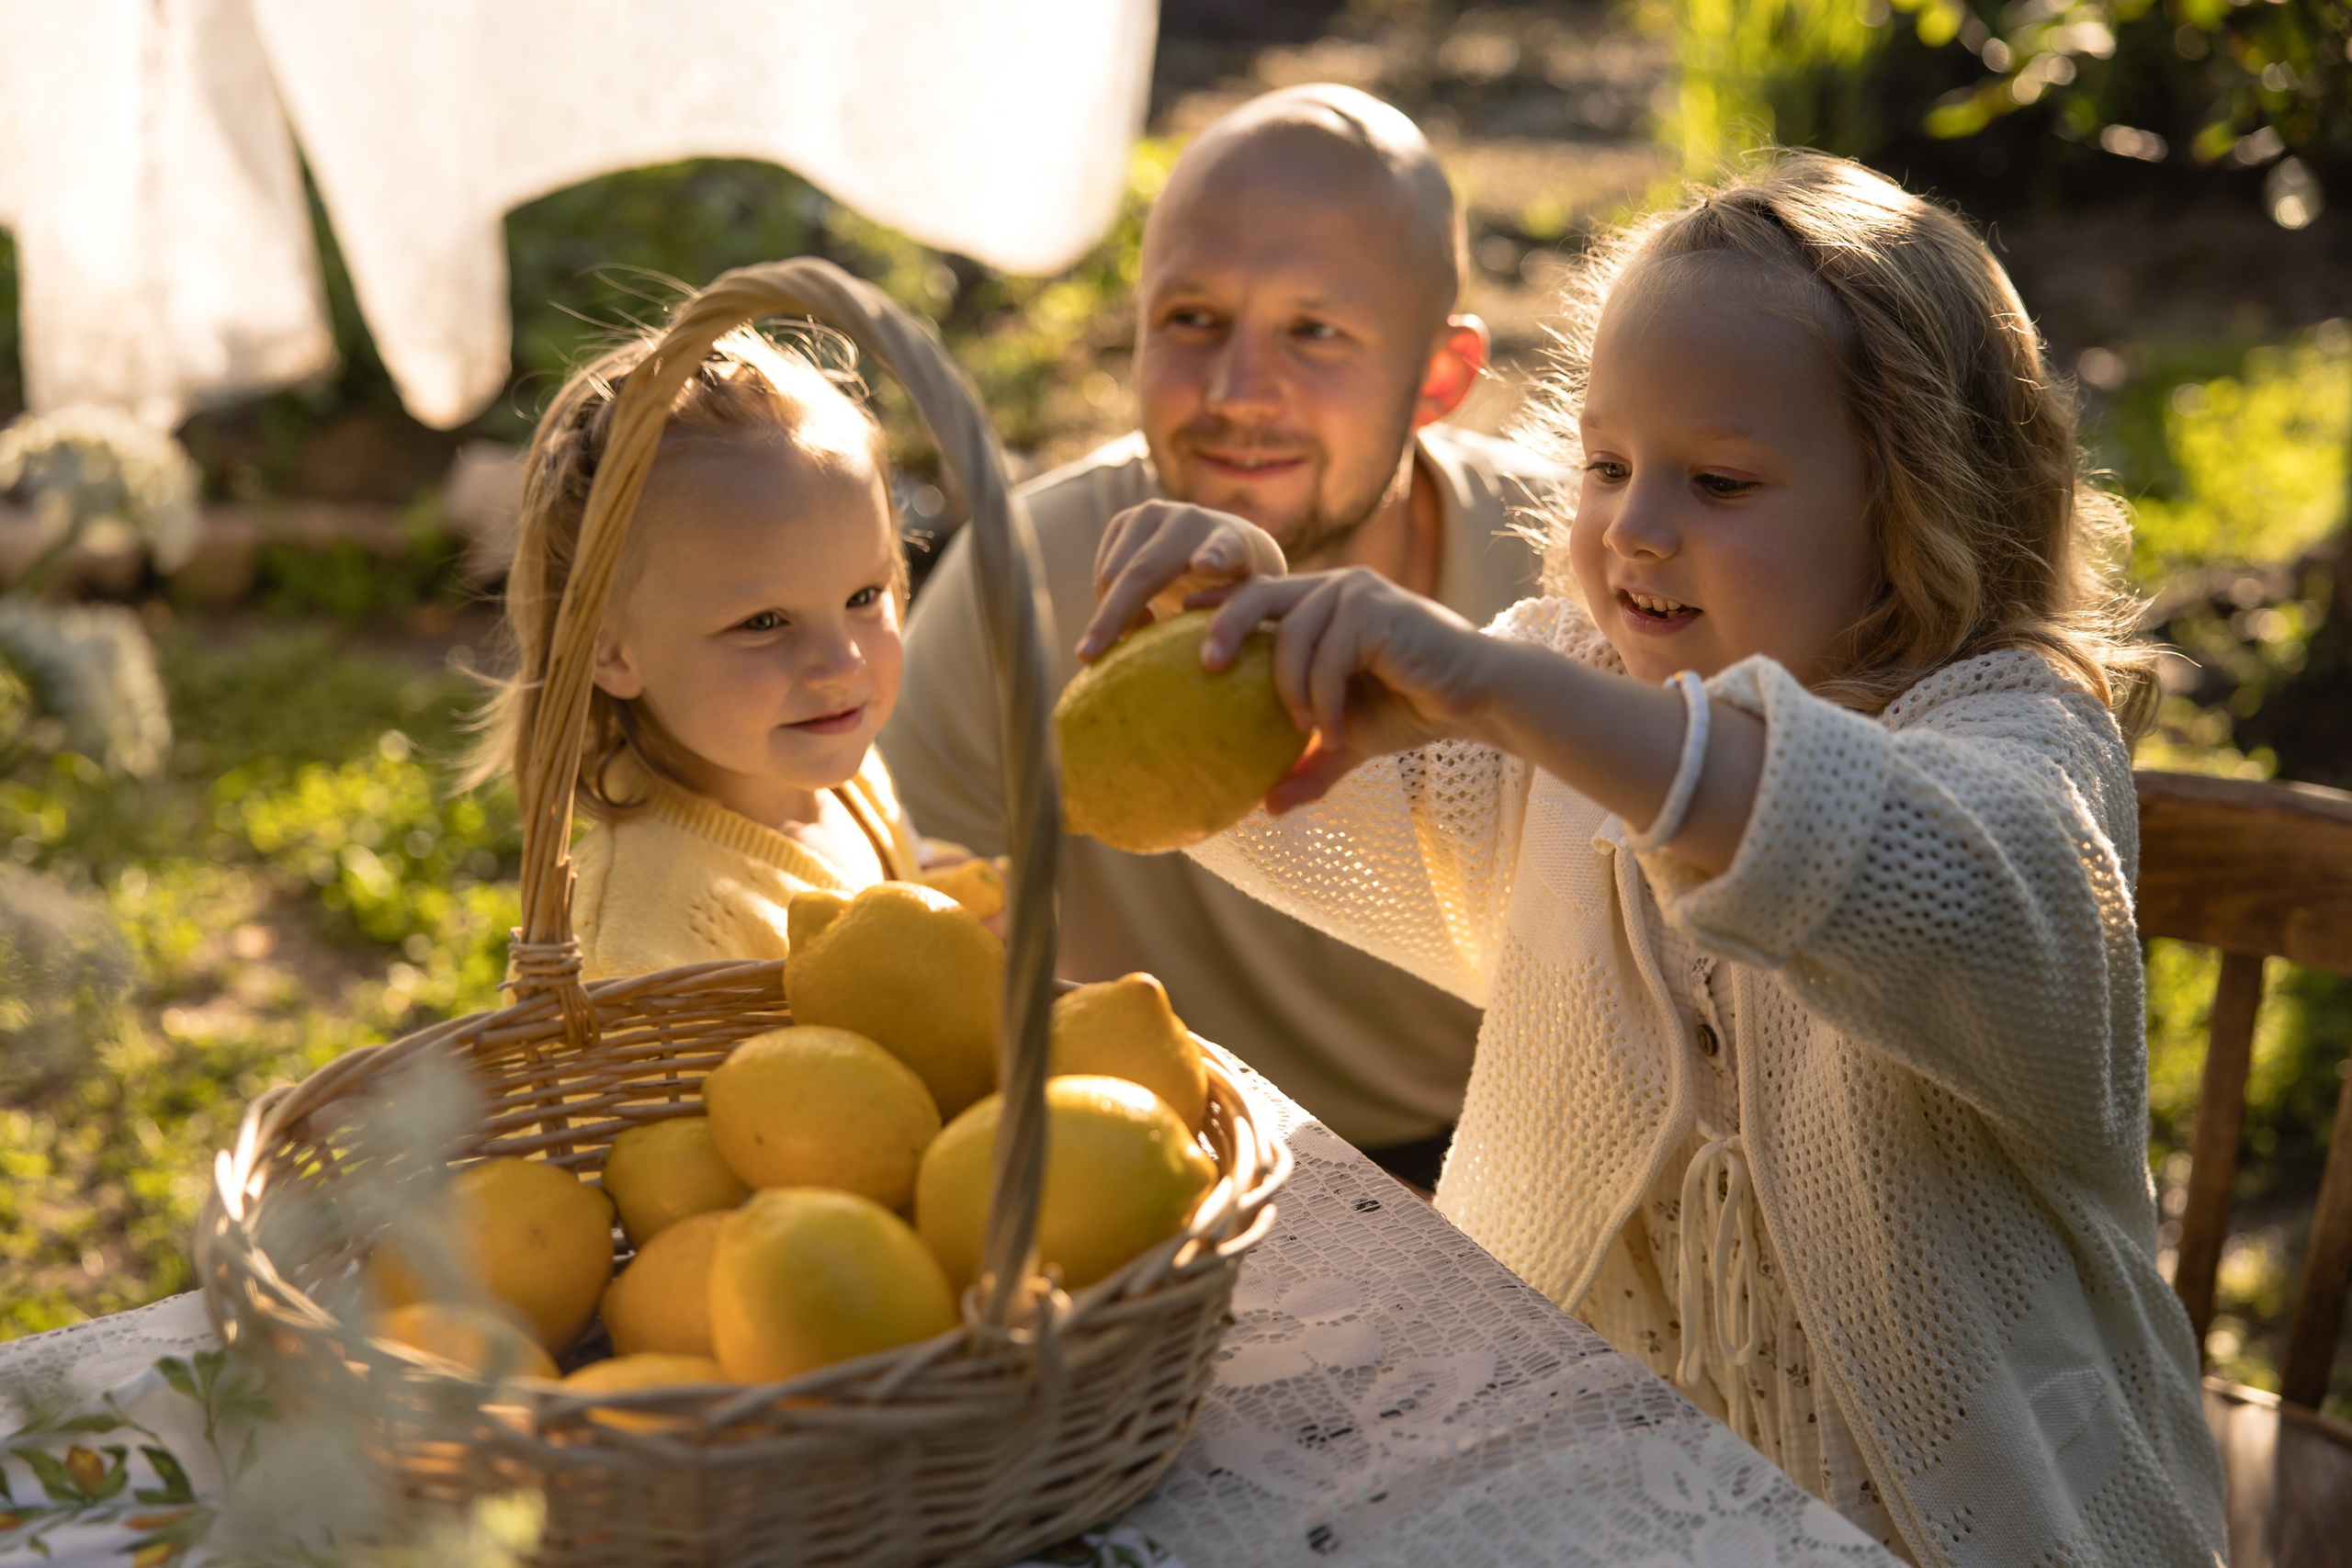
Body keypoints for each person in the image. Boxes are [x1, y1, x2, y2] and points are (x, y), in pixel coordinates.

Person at [1076, 152, 2225, 1565]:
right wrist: (1234, 649)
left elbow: (1893, 870)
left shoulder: (2018, 744)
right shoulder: (1573, 694)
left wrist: (1498, 690)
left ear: (1914, 504)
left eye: (1720, 480)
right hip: (1586, 1499)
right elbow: (1278, 801)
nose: (1632, 526)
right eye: (1608, 464)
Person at [881, 85, 1553, 1184]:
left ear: (1440, 377)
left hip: (1505, 1165)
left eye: (1314, 331)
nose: (1239, 392)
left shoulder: (1566, 569)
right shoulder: (1029, 578)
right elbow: (903, 920)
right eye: (1192, 320)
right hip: (1152, 1165)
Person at [468, 325, 960, 979]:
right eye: (764, 621)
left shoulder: (841, 769)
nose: (842, 663)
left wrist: (941, 899)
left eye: (864, 595)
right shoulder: (636, 944)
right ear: (609, 650)